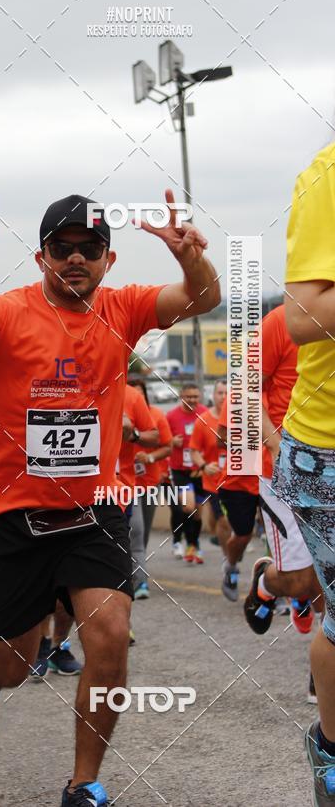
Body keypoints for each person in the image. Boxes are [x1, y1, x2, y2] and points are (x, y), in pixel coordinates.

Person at [0, 190, 220, 805]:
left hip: (93, 510)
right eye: (62, 247)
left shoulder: (123, 308)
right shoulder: (0, 313)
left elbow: (204, 297)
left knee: (110, 636)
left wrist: (190, 259)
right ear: (42, 256)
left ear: (108, 259)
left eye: (90, 248)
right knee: (17, 663)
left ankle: (83, 784)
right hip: (11, 514)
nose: (77, 258)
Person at [277, 144, 335, 803]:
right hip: (321, 451)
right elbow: (303, 316)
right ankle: (330, 748)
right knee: (317, 596)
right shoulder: (328, 175)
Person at [243, 305, 322, 639]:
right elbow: (245, 388)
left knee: (326, 580)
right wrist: (275, 446)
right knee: (300, 580)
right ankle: (267, 582)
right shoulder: (282, 321)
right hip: (284, 470)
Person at [216, 397, 260, 601]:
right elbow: (221, 439)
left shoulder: (284, 393)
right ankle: (231, 566)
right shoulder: (238, 395)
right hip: (238, 483)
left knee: (277, 535)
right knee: (243, 536)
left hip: (272, 480)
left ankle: (275, 592)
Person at [117, 383, 159, 601]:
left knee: (135, 536)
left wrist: (132, 434)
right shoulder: (77, 388)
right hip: (86, 488)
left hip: (125, 486)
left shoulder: (132, 396)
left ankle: (139, 582)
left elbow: (156, 438)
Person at [166, 383, 208, 563]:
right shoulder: (171, 416)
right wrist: (171, 441)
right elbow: (162, 440)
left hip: (199, 470)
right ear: (181, 396)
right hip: (179, 470)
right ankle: (180, 541)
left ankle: (194, 543)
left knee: (197, 512)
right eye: (188, 397)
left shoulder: (205, 413)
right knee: (187, 507)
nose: (192, 400)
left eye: (195, 397)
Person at [130, 379, 173, 549]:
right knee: (133, 529)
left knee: (144, 531)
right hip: (124, 484)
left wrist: (150, 458)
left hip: (149, 483)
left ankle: (139, 561)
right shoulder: (118, 413)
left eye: (139, 394)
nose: (136, 397)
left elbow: (168, 447)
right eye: (132, 394)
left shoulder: (156, 415)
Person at [190, 380, 230, 553]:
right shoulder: (203, 421)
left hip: (238, 479)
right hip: (214, 481)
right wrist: (204, 466)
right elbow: (194, 451)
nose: (223, 397)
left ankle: (231, 544)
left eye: (227, 393)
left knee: (232, 522)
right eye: (220, 393)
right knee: (223, 521)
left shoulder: (241, 418)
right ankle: (229, 559)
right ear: (213, 395)